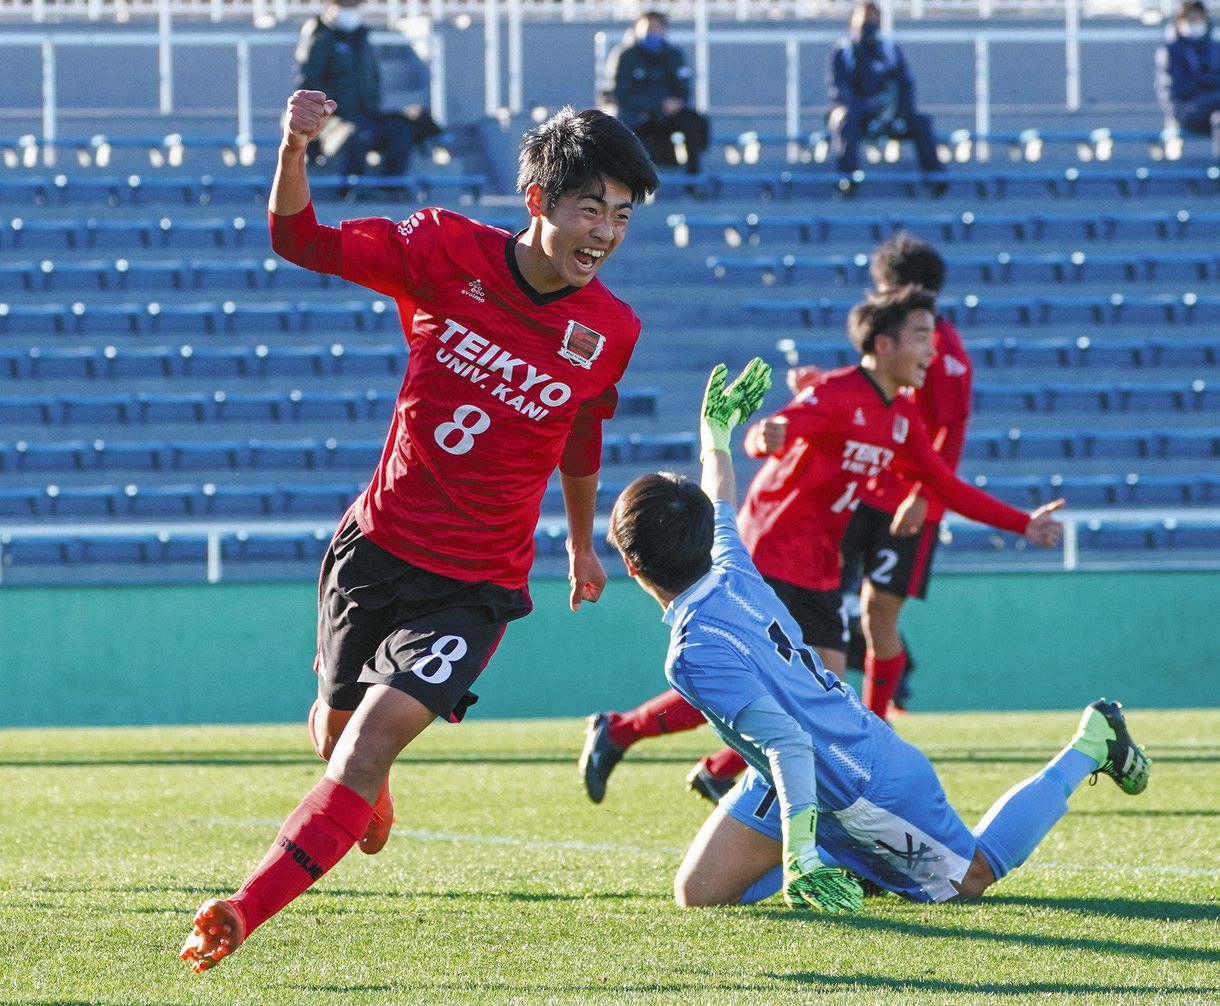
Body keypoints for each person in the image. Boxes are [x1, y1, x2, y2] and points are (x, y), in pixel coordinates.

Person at [179, 90, 659, 973]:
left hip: (476, 586)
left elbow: (582, 431)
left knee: (358, 750)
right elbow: (298, 240)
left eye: (623, 215)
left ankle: (240, 912)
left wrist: (581, 541)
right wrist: (294, 146)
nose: (605, 231)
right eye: (591, 206)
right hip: (377, 547)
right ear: (540, 201)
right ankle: (365, 790)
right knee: (333, 739)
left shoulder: (611, 329)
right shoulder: (442, 250)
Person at [607, 358, 1150, 911]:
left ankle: (1092, 743)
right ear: (703, 532)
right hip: (796, 776)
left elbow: (790, 742)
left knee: (969, 880)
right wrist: (714, 433)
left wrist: (801, 855)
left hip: (861, 783)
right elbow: (720, 492)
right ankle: (850, 856)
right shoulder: (729, 561)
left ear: (631, 564)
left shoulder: (691, 650)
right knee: (698, 894)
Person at [580, 285, 1062, 806]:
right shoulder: (836, 394)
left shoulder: (902, 418)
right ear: (882, 343)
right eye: (921, 337)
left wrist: (1021, 524)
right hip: (769, 550)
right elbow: (770, 430)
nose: (931, 351)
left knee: (821, 687)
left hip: (819, 563)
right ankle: (639, 740)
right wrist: (762, 436)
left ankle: (694, 761)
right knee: (752, 676)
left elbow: (943, 484)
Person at [829, 232, 972, 719]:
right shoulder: (895, 339)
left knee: (879, 616)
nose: (877, 296)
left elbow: (950, 432)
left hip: (904, 502)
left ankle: (873, 724)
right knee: (823, 605)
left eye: (884, 286)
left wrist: (920, 497)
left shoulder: (943, 352)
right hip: (864, 489)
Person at [295, 0, 442, 177]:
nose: (350, 11)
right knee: (359, 133)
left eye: (354, 6)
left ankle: (390, 188)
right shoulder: (319, 37)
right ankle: (351, 189)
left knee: (401, 129)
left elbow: (372, 82)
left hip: (366, 117)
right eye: (345, 6)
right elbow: (308, 84)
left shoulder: (361, 38)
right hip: (333, 124)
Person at [826, 2, 943, 180]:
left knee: (922, 122)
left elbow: (905, 85)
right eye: (864, 19)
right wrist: (868, 108)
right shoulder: (844, 52)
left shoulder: (889, 50)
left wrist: (894, 113)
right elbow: (840, 91)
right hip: (857, 115)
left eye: (873, 19)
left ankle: (936, 180)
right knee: (844, 120)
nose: (868, 24)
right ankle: (847, 180)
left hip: (887, 114)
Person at [606, 11, 711, 176]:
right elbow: (621, 93)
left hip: (667, 117)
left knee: (694, 123)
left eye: (657, 27)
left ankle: (693, 181)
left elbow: (682, 89)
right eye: (648, 27)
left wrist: (673, 104)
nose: (652, 32)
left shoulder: (673, 55)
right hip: (636, 117)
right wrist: (656, 105)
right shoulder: (626, 56)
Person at [1155, 0, 1220, 159]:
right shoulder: (1171, 52)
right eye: (1189, 19)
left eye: (1197, 18)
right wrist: (1210, 83)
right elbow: (1181, 88)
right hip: (1186, 110)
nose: (1194, 23)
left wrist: (1203, 82)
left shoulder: (1214, 48)